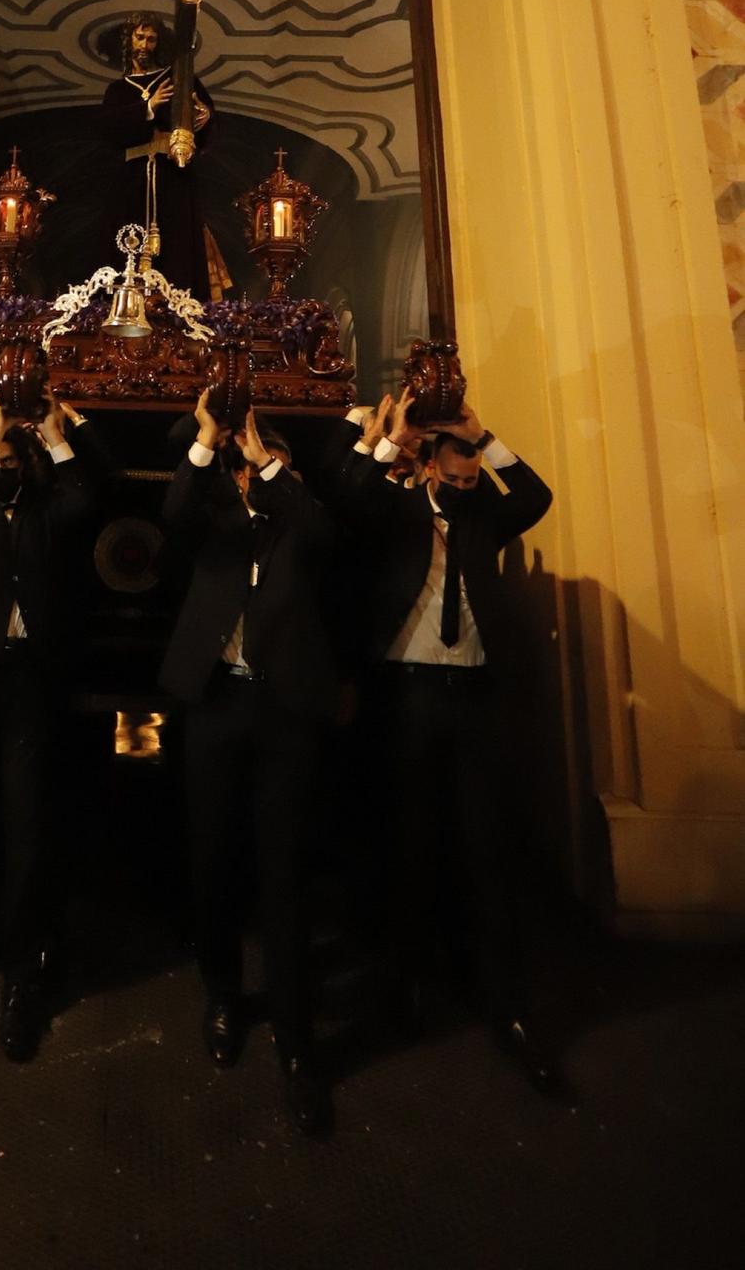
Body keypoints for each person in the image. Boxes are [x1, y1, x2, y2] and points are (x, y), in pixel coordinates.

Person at [344, 388, 557, 1090]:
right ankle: (402, 984)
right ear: (430, 469)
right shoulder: (398, 513)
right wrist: (394, 439)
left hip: (472, 699)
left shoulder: (483, 518)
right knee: (408, 840)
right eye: (455, 476)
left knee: (484, 846)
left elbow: (533, 495)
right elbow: (349, 500)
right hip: (407, 695)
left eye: (472, 480)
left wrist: (482, 435)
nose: (464, 489)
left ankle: (503, 1002)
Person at [159, 394, 340, 1137]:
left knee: (285, 869)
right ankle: (223, 998)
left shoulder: (301, 518)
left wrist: (268, 459)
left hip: (285, 711)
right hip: (213, 704)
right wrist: (208, 439)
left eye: (258, 466)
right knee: (211, 859)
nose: (244, 476)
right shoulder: (213, 519)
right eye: (239, 468)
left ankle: (297, 1042)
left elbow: (325, 536)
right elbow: (173, 515)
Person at [0, 388, 100, 1061]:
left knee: (27, 822)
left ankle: (22, 972)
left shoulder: (47, 503)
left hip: (31, 676)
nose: (6, 457)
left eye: (13, 449)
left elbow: (85, 506)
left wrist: (55, 435)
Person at [97, 10, 218, 299]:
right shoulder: (117, 90)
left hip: (172, 174)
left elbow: (198, 113)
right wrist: (148, 107)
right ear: (130, 40)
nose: (145, 45)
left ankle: (176, 303)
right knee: (126, 237)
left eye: (151, 39)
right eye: (140, 37)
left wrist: (204, 116)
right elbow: (109, 129)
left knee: (177, 238)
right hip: (133, 178)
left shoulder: (176, 76)